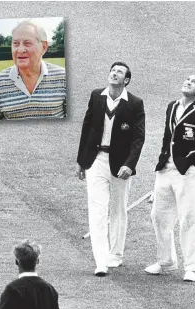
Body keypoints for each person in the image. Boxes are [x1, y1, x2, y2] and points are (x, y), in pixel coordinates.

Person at [145, 74, 195, 282]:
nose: (188, 82)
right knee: (158, 216)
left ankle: (191, 268)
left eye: (193, 82)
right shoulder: (172, 106)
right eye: (187, 79)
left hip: (189, 173)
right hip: (166, 170)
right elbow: (167, 138)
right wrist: (162, 162)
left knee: (189, 218)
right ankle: (166, 261)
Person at [77, 61, 145, 276]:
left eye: (119, 72)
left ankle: (116, 254)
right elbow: (87, 128)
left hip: (120, 164)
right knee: (97, 210)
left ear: (126, 80)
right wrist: (81, 161)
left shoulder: (134, 103)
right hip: (96, 160)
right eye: (112, 70)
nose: (114, 74)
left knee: (118, 210)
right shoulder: (97, 96)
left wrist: (129, 164)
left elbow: (138, 138)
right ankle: (100, 260)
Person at [0, 20, 66, 120]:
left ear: (43, 47)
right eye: (16, 43)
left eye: (27, 43)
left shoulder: (63, 77)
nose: (20, 50)